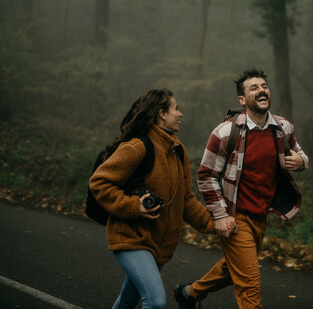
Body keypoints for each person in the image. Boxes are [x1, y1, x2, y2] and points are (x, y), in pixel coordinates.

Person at [173, 69, 309, 309]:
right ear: (242, 100)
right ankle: (191, 294)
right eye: (254, 87)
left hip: (261, 216)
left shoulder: (283, 128)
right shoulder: (225, 133)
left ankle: (189, 294)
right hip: (235, 216)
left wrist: (301, 162)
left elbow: (299, 154)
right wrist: (221, 215)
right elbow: (206, 175)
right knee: (249, 282)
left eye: (264, 86)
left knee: (233, 267)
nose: (262, 90)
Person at [89, 88, 218, 309]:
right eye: (176, 109)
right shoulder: (137, 147)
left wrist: (215, 223)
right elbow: (99, 182)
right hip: (131, 237)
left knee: (128, 301)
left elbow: (185, 199)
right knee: (156, 302)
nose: (180, 114)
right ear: (161, 113)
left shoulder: (178, 151)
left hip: (159, 244)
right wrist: (132, 206)